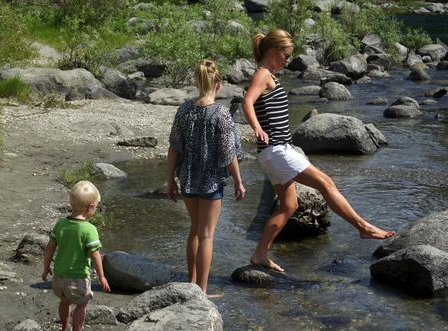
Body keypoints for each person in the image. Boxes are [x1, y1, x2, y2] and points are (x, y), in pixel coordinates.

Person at [242, 29, 395, 273]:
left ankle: (260, 254)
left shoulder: (269, 74)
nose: (288, 60)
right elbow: (247, 101)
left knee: (288, 206)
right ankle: (363, 227)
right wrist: (257, 127)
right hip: (277, 150)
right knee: (326, 182)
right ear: (273, 52)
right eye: (286, 55)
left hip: (273, 152)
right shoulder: (263, 75)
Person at [166, 59, 246, 297]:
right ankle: (202, 290)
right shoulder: (221, 113)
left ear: (197, 82)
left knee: (194, 230)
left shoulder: (184, 110)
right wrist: (239, 181)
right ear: (218, 85)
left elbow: (174, 148)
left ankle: (191, 283)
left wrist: (170, 179)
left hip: (188, 178)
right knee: (207, 234)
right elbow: (228, 152)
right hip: (211, 182)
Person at [42, 180, 111, 331]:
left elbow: (49, 248)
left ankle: (64, 327)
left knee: (64, 302)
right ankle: (77, 329)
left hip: (59, 276)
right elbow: (95, 255)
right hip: (78, 277)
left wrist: (46, 268)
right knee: (82, 304)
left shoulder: (61, 224)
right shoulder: (89, 229)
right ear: (91, 207)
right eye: (96, 207)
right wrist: (102, 276)